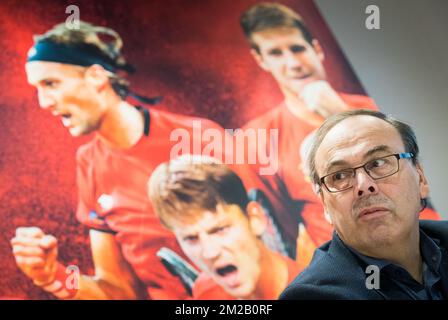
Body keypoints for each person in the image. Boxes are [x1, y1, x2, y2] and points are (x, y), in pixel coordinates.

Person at [10, 21, 258, 300]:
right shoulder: (89, 164)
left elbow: (269, 240)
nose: (44, 102)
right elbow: (117, 291)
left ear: (96, 77)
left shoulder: (199, 136)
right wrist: (53, 275)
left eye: (51, 83)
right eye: (38, 89)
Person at [240, 3, 439, 261]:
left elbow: (420, 191)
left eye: (297, 49)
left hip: (424, 248)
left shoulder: (372, 109)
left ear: (317, 49)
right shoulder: (258, 139)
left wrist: (342, 112)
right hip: (349, 268)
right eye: (276, 53)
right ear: (261, 60)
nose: (292, 63)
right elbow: (282, 236)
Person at [280, 109, 448, 300]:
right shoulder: (313, 296)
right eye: (339, 176)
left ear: (420, 179)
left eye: (378, 163)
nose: (364, 185)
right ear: (325, 205)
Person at [148, 155, 303, 299]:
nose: (210, 252)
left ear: (255, 219)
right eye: (191, 238)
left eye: (220, 229)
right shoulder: (206, 291)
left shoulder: (312, 291)